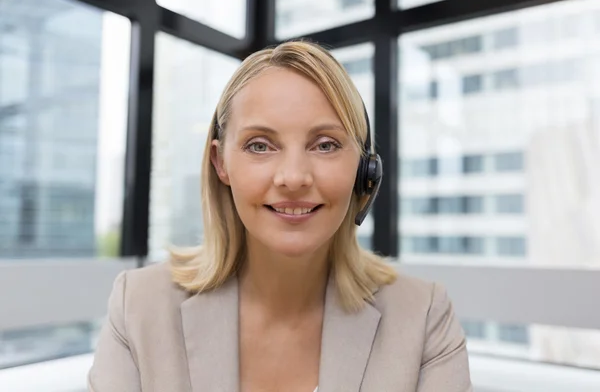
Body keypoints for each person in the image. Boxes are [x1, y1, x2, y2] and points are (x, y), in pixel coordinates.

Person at [88, 40, 472, 392]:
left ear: (364, 169)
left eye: (325, 145)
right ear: (221, 163)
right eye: (260, 145)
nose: (293, 178)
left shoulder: (423, 316)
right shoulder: (138, 305)